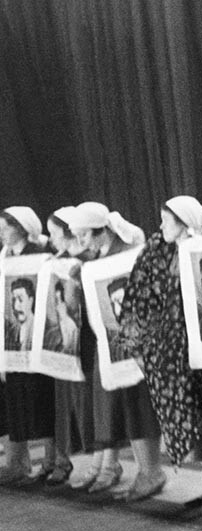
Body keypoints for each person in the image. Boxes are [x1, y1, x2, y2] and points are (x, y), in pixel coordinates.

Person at [118, 196, 202, 513]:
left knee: (200, 417)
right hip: (163, 351)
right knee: (187, 419)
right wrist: (137, 343)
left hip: (196, 346)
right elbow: (137, 292)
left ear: (185, 221)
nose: (160, 226)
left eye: (166, 220)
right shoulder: (156, 249)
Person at [64, 202, 164, 500]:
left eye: (84, 236)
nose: (80, 244)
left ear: (103, 231)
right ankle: (139, 471)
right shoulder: (91, 263)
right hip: (111, 348)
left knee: (140, 407)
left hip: (141, 347)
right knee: (122, 408)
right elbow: (77, 309)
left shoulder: (131, 253)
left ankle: (151, 471)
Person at [0, 207, 56, 485]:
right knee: (17, 402)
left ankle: (51, 460)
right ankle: (18, 461)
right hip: (12, 343)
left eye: (6, 227)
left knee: (40, 401)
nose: (1, 233)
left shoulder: (37, 254)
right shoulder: (4, 258)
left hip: (36, 343)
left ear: (21, 228)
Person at [43, 208, 91, 486]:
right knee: (62, 404)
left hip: (82, 341)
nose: (51, 239)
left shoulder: (82, 261)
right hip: (58, 344)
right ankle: (61, 460)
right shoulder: (55, 261)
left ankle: (101, 462)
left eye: (54, 233)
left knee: (85, 403)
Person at [6, 277, 36, 351]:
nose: (16, 306)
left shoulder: (39, 330)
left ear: (30, 301)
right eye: (14, 300)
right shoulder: (11, 331)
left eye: (20, 299)